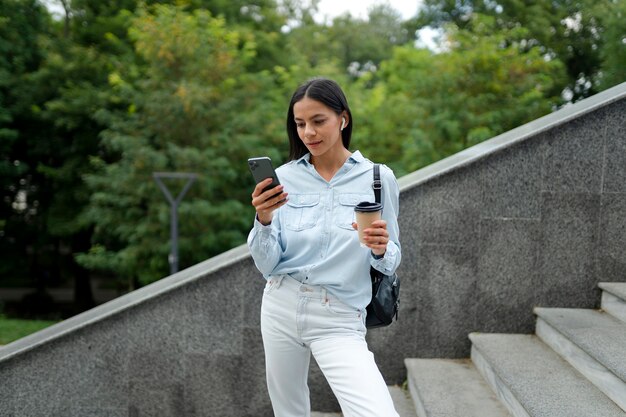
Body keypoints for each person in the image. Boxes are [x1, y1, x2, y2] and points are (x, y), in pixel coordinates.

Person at [247, 78, 401, 417]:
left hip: (339, 314)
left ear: (342, 119)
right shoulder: (284, 178)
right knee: (289, 411)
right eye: (300, 124)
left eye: (318, 121)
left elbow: (391, 260)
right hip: (280, 305)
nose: (308, 133)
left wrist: (379, 248)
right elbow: (267, 265)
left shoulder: (378, 178)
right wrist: (264, 218)